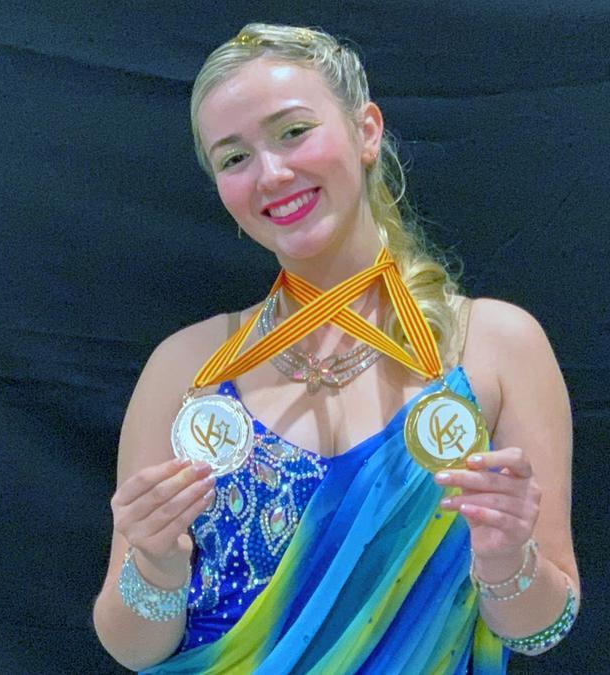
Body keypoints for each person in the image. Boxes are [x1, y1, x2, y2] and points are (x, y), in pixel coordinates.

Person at [92, 23, 580, 673]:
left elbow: (543, 629)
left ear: (367, 130)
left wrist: (506, 559)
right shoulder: (184, 368)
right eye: (234, 157)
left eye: (294, 132)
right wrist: (154, 566)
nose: (271, 173)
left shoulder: (496, 347)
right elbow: (129, 646)